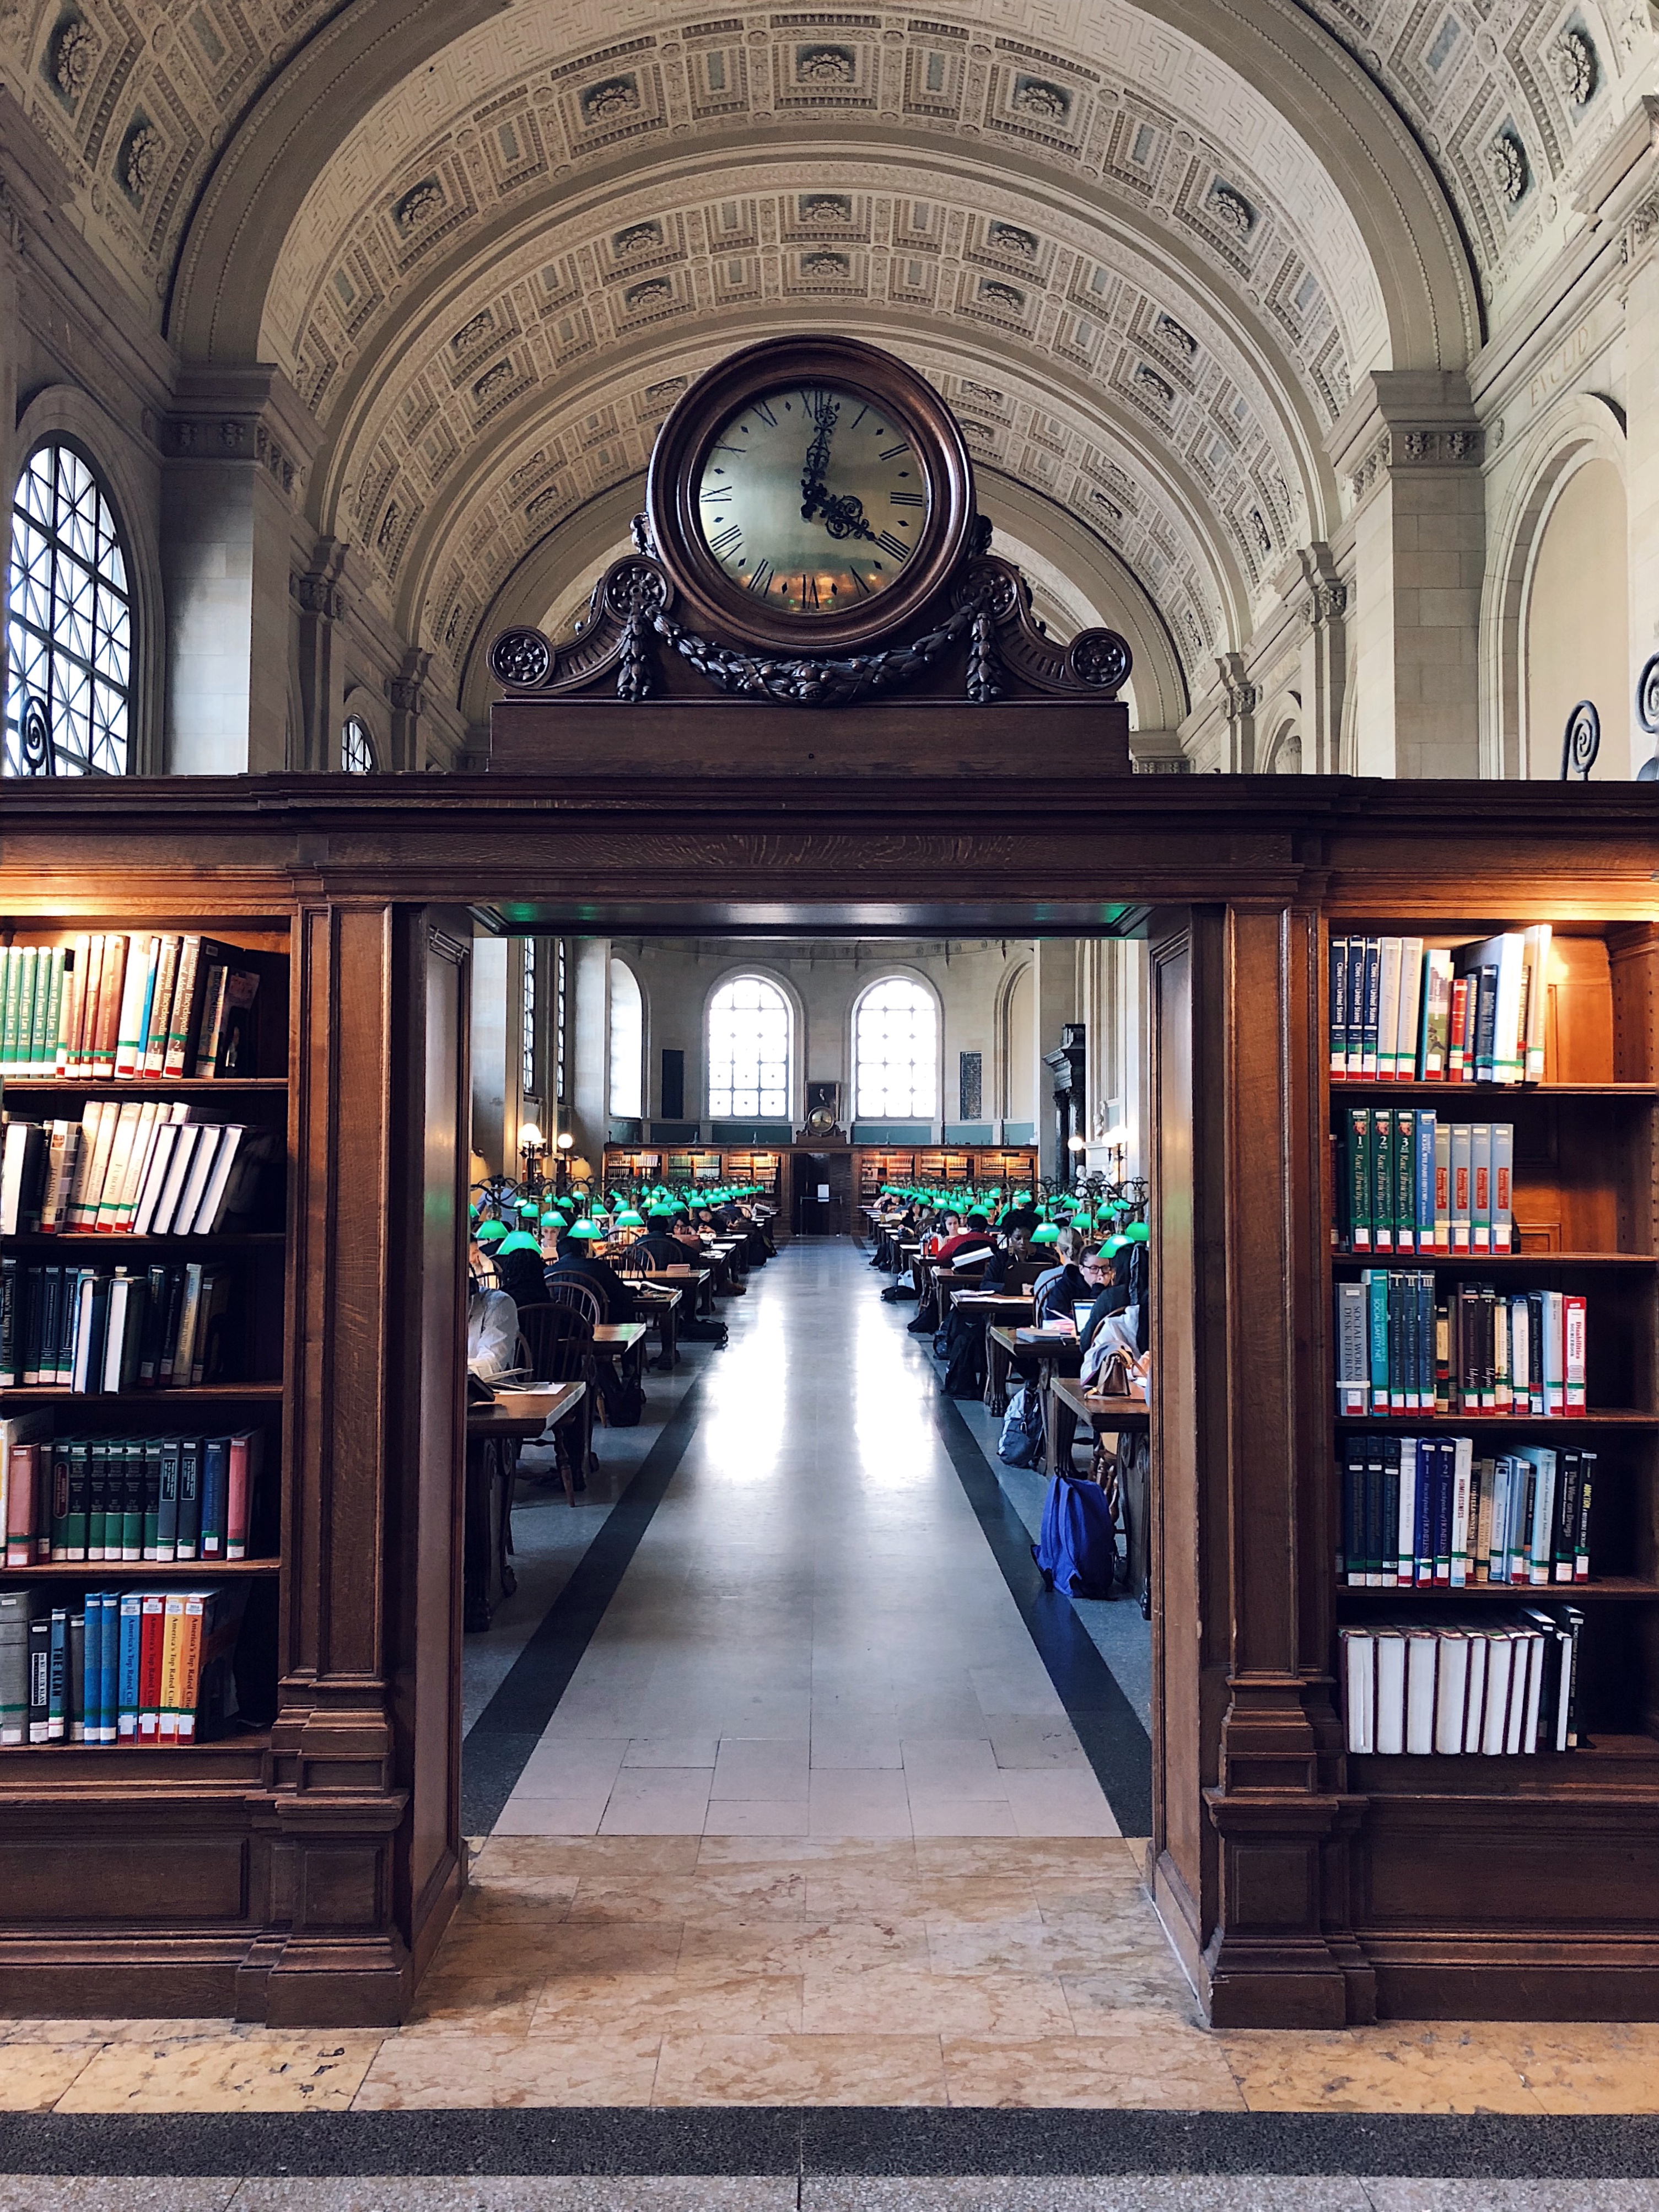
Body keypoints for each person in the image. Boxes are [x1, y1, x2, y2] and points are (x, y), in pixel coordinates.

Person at [548, 1226, 639, 1323]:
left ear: (558, 1256)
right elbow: (619, 1293)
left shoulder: (548, 1273)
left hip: (559, 1328)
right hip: (597, 1324)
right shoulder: (598, 1267)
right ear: (583, 1252)